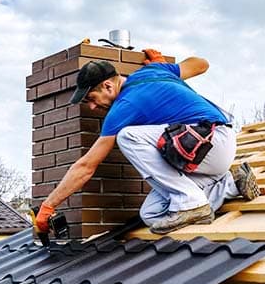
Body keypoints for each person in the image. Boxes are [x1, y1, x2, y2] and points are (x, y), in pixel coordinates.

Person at [36, 49, 260, 235]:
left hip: (212, 141)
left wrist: (49, 206)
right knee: (151, 215)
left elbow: (86, 167)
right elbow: (201, 64)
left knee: (128, 136)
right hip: (206, 156)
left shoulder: (124, 107)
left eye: (91, 99)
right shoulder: (154, 70)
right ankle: (231, 183)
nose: (92, 107)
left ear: (107, 86)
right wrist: (167, 69)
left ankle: (192, 203)